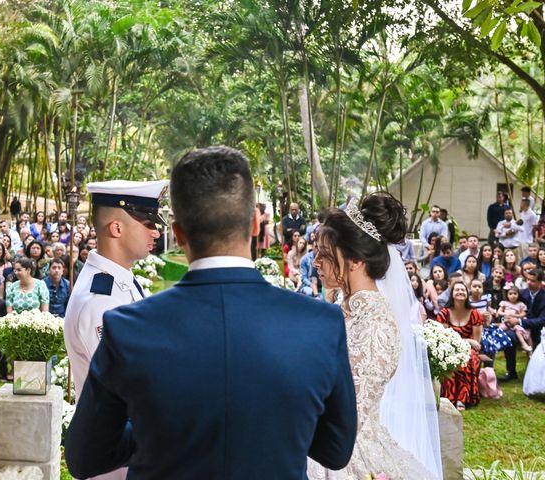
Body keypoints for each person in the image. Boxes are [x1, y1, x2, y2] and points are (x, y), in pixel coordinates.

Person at [65, 146, 357, 479]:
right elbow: (335, 449)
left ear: (177, 233)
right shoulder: (320, 324)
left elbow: (85, 456)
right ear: (253, 225)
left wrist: (158, 428)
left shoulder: (127, 329)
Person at [307, 193, 441, 479]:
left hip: (338, 453)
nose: (316, 262)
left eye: (324, 253)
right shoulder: (342, 308)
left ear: (354, 259)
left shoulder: (376, 325)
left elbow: (347, 416)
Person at [65, 178, 169, 480]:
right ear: (117, 228)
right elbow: (128, 389)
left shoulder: (120, 281)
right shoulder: (101, 300)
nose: (156, 230)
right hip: (117, 456)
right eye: (147, 222)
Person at [437, 281, 483, 410]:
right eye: (457, 290)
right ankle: (450, 397)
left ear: (467, 294)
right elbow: (444, 339)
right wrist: (467, 340)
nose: (460, 292)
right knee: (450, 359)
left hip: (469, 351)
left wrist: (466, 343)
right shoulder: (444, 313)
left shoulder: (474, 314)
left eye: (463, 290)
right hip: (448, 348)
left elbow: (477, 343)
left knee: (466, 359)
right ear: (452, 294)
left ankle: (462, 399)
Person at [501, 268, 545, 381]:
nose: (529, 282)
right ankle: (511, 372)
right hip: (518, 328)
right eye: (527, 280)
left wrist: (520, 321)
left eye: (533, 281)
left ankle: (539, 374)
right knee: (509, 336)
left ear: (540, 283)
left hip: (538, 330)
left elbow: (542, 320)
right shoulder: (522, 293)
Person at [497, 283, 531, 353]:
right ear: (507, 294)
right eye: (510, 294)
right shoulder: (504, 303)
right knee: (500, 329)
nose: (513, 296)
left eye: (515, 293)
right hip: (506, 322)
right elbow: (499, 312)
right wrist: (506, 314)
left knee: (518, 330)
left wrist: (516, 316)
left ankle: (525, 345)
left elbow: (524, 313)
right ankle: (499, 344)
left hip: (516, 322)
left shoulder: (520, 304)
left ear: (518, 294)